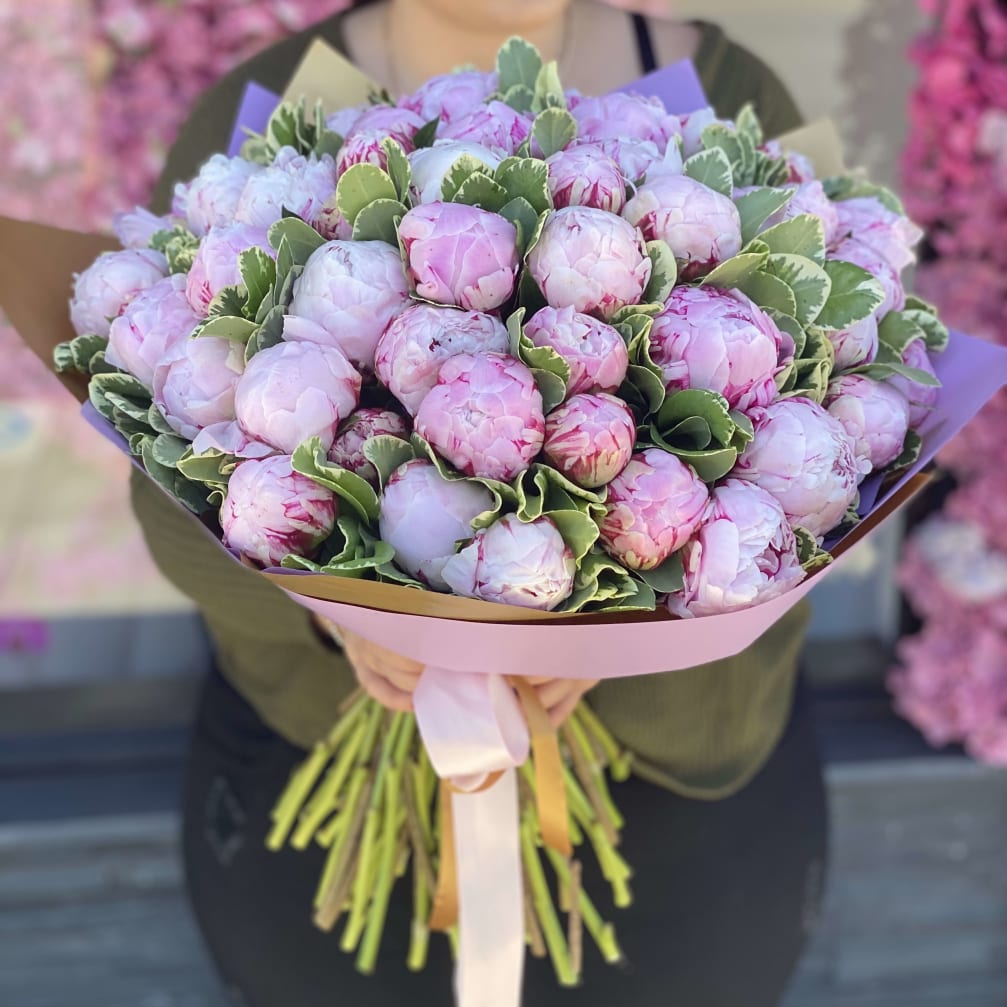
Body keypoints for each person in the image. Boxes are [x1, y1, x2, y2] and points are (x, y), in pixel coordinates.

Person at [138, 1, 827, 1004]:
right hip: (324, 797)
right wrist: (350, 620)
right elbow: (164, 481)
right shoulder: (262, 109)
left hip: (682, 811)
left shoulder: (734, 91)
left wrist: (619, 609)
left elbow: (825, 459)